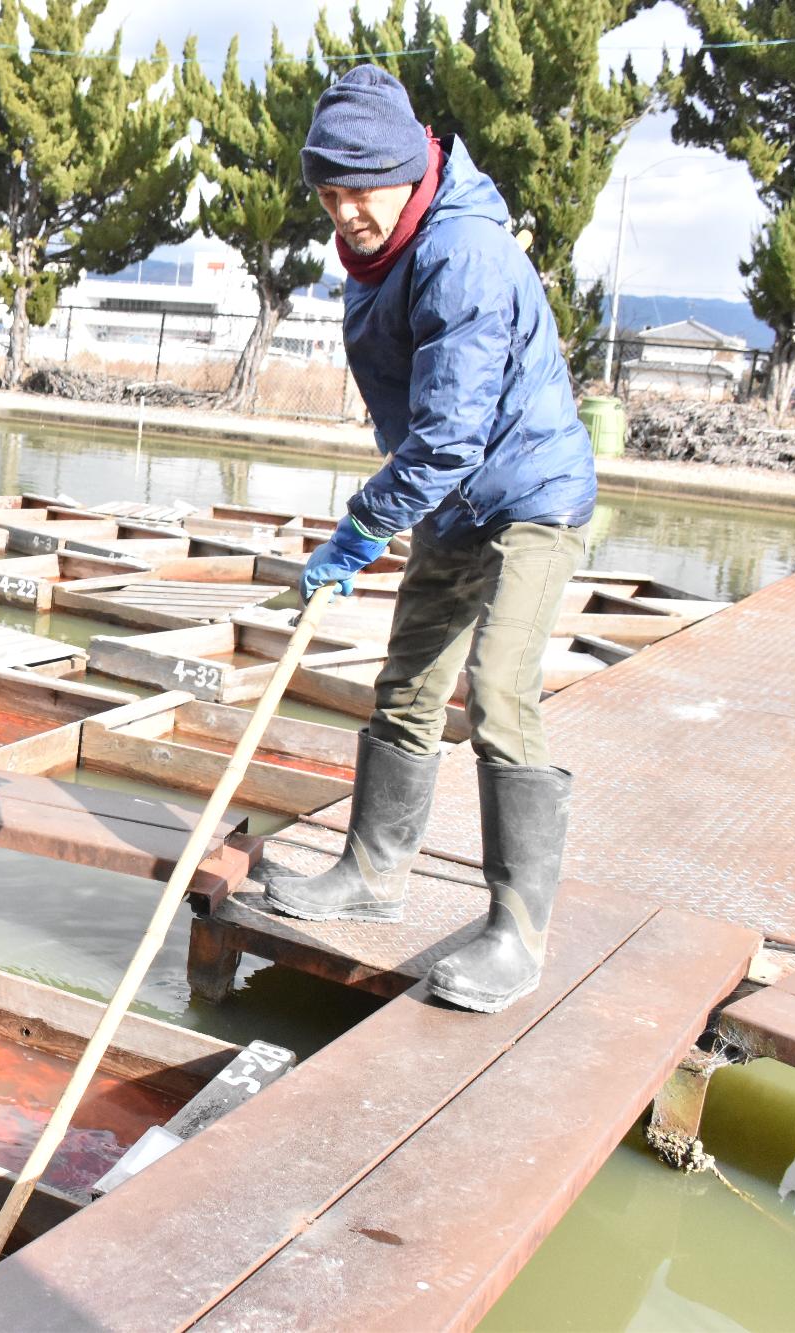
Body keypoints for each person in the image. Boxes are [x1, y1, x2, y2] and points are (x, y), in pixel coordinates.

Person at [259, 66, 597, 1014]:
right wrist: (392, 514)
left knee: (496, 687)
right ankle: (373, 870)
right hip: (454, 497)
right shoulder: (379, 252)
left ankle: (518, 931)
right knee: (407, 682)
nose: (346, 210)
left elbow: (448, 432)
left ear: (410, 171)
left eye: (362, 186)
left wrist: (363, 526)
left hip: (529, 492)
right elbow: (423, 427)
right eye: (329, 192)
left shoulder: (463, 252)